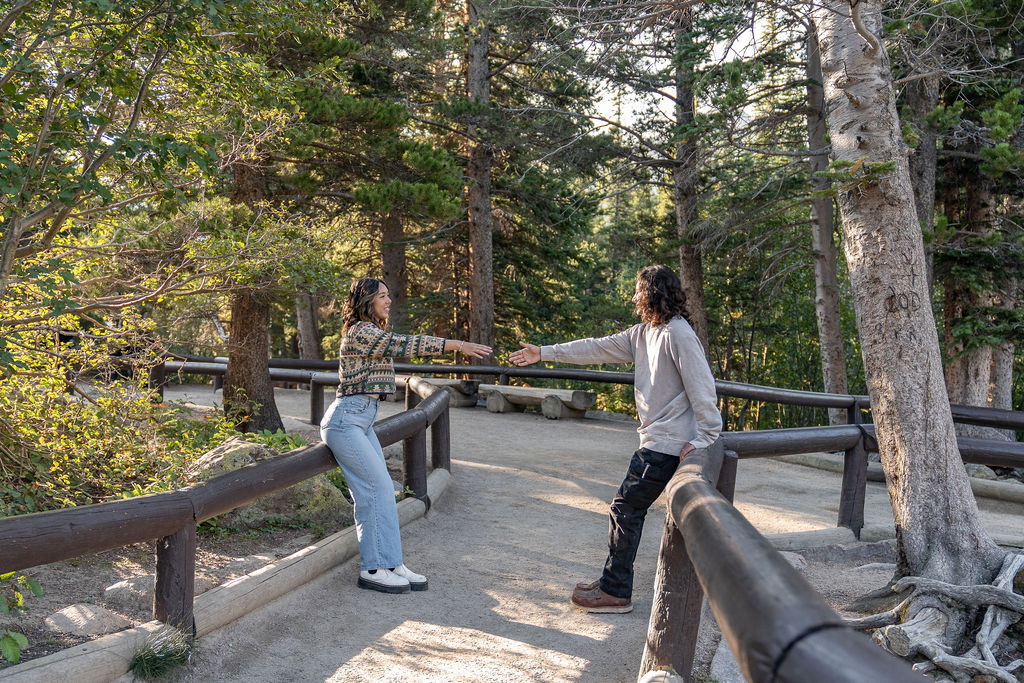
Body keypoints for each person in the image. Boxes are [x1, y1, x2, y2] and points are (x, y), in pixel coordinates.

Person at [508, 265, 721, 613]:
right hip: (656, 441)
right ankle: (612, 582)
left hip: (666, 444)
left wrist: (705, 437)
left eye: (638, 290)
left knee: (625, 508)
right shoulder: (644, 333)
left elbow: (703, 386)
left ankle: (616, 590)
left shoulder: (678, 334)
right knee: (625, 508)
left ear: (653, 293)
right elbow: (596, 348)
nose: (634, 297)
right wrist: (543, 352)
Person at [321, 277, 492, 594]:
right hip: (346, 420)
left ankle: (391, 562)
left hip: (361, 420)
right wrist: (456, 345)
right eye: (382, 296)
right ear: (366, 301)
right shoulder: (361, 332)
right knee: (375, 490)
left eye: (389, 295)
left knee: (384, 491)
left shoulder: (372, 332)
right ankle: (373, 569)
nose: (389, 301)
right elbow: (404, 344)